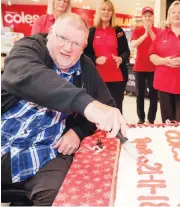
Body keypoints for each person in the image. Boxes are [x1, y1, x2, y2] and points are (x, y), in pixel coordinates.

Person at [1, 13, 127, 206]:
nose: (68, 48)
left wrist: (77, 131)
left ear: (85, 46)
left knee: (64, 195)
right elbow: (31, 77)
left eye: (77, 44)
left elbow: (107, 107)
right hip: (5, 142)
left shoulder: (85, 67)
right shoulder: (28, 48)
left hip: (45, 151)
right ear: (50, 33)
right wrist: (86, 104)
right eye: (62, 38)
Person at [84, 0, 130, 114]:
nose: (106, 12)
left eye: (109, 10)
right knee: (98, 109)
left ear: (112, 13)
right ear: (98, 11)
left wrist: (121, 58)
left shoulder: (118, 30)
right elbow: (84, 53)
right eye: (103, 9)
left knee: (116, 108)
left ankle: (116, 131)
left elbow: (126, 51)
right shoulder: (91, 31)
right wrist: (96, 59)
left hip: (117, 77)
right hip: (97, 78)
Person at [149, 1, 180, 122]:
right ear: (169, 15)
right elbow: (151, 55)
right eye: (174, 12)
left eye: (179, 12)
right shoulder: (161, 34)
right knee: (167, 123)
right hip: (164, 85)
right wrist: (164, 61)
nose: (177, 14)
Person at [130, 6, 159, 124]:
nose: (147, 18)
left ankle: (151, 119)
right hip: (140, 67)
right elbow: (133, 44)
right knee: (139, 94)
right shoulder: (137, 30)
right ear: (142, 18)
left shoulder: (158, 31)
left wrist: (150, 31)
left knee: (153, 95)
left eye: (150, 16)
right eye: (145, 16)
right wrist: (145, 34)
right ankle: (141, 118)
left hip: (154, 68)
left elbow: (159, 44)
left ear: (153, 18)